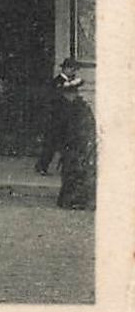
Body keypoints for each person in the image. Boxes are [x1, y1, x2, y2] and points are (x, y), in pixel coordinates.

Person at [36, 58, 83, 174]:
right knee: (51, 144)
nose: (74, 72)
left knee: (66, 143)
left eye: (75, 69)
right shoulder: (57, 82)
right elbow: (54, 99)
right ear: (65, 69)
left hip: (66, 118)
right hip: (56, 118)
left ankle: (65, 167)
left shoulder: (71, 82)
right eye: (72, 69)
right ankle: (42, 166)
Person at [56, 74, 96, 210]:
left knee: (75, 172)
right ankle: (68, 200)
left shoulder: (79, 107)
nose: (68, 95)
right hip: (71, 145)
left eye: (70, 92)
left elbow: (87, 126)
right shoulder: (66, 107)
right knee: (71, 172)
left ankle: (72, 200)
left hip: (78, 145)